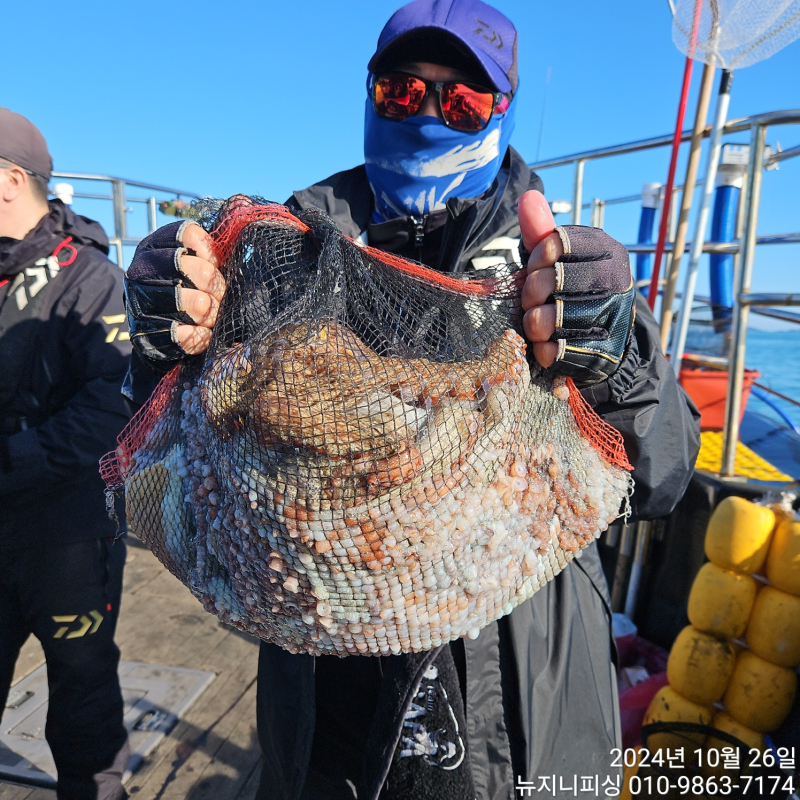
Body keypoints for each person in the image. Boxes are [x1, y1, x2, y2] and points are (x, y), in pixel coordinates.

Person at [122, 1, 701, 797]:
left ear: (502, 111)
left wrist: (615, 359)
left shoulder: (553, 267)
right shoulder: (282, 256)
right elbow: (167, 451)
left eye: (462, 100)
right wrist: (161, 341)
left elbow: (664, 473)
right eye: (402, 91)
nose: (429, 114)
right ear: (369, 93)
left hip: (519, 685)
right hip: (321, 682)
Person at [0, 108, 132, 800]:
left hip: (69, 539)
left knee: (83, 709)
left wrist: (9, 462)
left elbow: (109, 408)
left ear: (10, 180)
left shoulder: (92, 281)